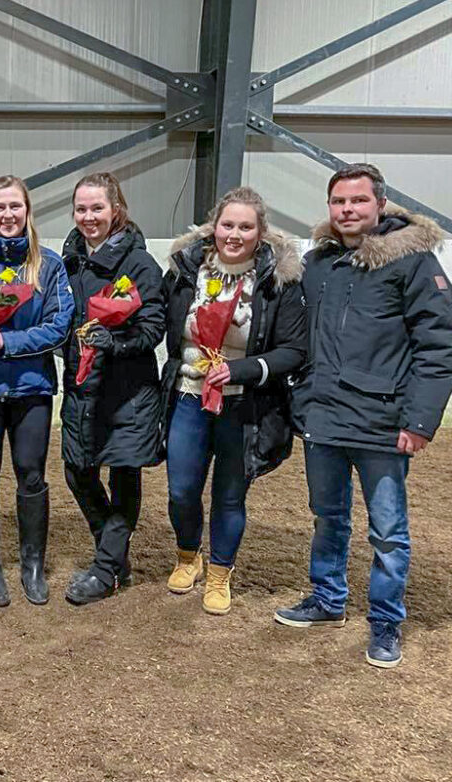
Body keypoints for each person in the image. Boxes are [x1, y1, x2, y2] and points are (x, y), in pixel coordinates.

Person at [274, 163, 452, 669]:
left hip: (381, 424)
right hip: (323, 420)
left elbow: (440, 345)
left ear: (380, 204)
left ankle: (385, 621)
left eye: (358, 201)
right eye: (339, 202)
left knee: (387, 530)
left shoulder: (413, 263)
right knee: (328, 516)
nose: (348, 210)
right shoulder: (318, 265)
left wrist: (420, 420)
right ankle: (328, 599)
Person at [161, 187, 306, 615]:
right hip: (188, 395)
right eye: (228, 225)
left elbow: (294, 349)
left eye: (246, 226)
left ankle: (221, 570)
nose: (235, 234)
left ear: (261, 232)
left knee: (230, 493)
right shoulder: (185, 270)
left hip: (243, 404)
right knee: (181, 488)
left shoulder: (279, 281)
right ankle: (189, 555)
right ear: (214, 226)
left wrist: (241, 370)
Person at [0, 176, 73, 607]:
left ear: (28, 212)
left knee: (31, 474)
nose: (7, 215)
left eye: (15, 207)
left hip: (32, 389)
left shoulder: (50, 266)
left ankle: (33, 564)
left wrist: (10, 342)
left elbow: (60, 325)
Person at [60, 172, 165, 605]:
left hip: (127, 390)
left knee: (124, 475)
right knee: (76, 471)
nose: (89, 217)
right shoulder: (67, 260)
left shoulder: (140, 265)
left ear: (115, 209)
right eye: (81, 209)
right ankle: (114, 550)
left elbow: (154, 326)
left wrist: (116, 343)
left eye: (97, 208)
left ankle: (105, 571)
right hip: (81, 386)